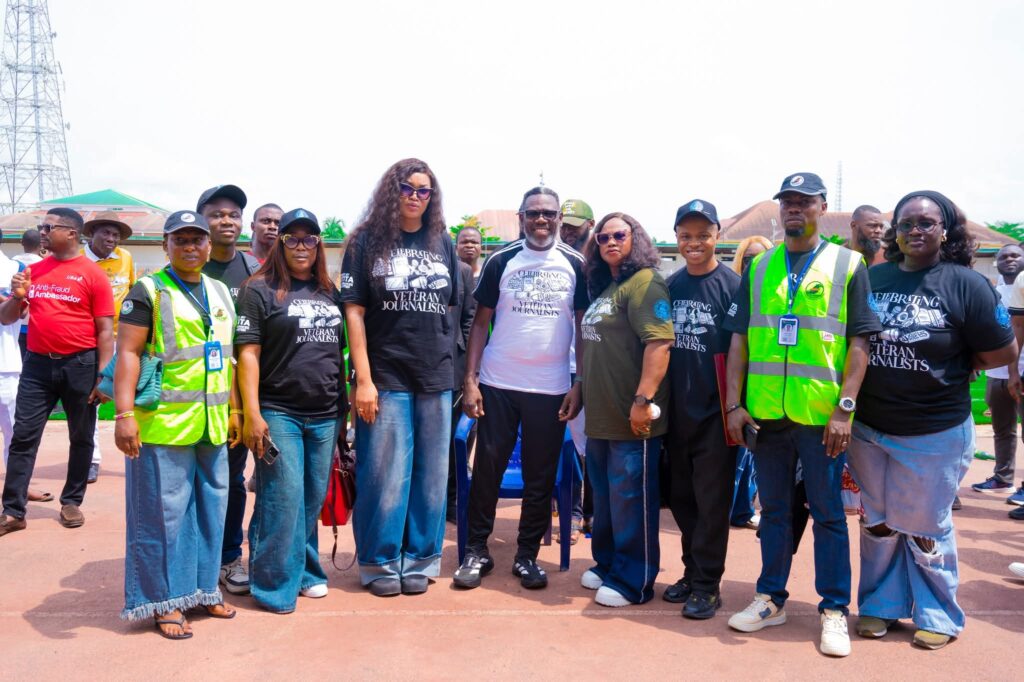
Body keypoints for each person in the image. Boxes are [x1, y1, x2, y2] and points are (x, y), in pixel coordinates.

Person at [847, 191, 1017, 650]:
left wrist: (960, 364)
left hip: (935, 430)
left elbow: (1002, 350)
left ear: (945, 230)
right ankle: (880, 605)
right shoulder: (873, 277)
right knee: (878, 521)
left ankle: (937, 612)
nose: (915, 231)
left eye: (926, 223)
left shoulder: (967, 284)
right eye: (906, 224)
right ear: (895, 232)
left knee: (925, 526)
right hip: (870, 428)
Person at [723, 172, 881, 657]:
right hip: (767, 415)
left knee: (828, 514)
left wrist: (845, 409)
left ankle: (833, 609)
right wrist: (733, 404)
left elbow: (860, 341)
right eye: (787, 201)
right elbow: (740, 340)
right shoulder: (760, 266)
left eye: (804, 201)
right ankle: (771, 597)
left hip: (820, 417)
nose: (794, 208)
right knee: (773, 513)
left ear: (821, 207)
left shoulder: (848, 264)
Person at [115, 209, 239, 638]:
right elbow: (128, 352)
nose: (189, 247)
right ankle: (162, 601)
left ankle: (203, 590)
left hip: (211, 424)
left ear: (209, 246)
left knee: (210, 512)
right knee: (162, 518)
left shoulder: (220, 291)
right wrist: (124, 415)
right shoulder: (147, 290)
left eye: (196, 240)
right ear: (165, 245)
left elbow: (227, 357)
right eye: (180, 240)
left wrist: (235, 410)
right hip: (162, 424)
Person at [454, 186, 586, 590]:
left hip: (551, 387)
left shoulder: (576, 263)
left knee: (540, 476)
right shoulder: (501, 260)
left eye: (548, 213)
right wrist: (471, 379)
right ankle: (477, 550)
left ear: (559, 218)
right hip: (499, 383)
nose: (541, 220)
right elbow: (480, 323)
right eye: (533, 213)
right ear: (521, 217)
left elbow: (583, 327)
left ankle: (526, 555)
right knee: (488, 470)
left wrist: (579, 381)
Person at [340, 158, 458, 596]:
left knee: (431, 476)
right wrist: (363, 380)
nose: (415, 196)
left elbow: (451, 308)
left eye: (424, 190)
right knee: (385, 473)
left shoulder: (442, 241)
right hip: (385, 374)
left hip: (435, 374)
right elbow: (354, 312)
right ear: (393, 191)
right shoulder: (365, 240)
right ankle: (380, 561)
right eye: (407, 188)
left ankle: (422, 559)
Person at [236, 208, 344, 613]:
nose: (301, 246)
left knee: (311, 499)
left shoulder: (329, 291)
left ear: (319, 245)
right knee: (282, 498)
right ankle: (273, 584)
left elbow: (338, 352)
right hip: (279, 410)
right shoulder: (258, 290)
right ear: (279, 243)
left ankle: (307, 571)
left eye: (309, 239)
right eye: (292, 238)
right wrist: (252, 413)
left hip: (326, 412)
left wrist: (344, 409)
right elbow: (248, 354)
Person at [578, 212, 673, 607]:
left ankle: (635, 580)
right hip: (601, 416)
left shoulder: (646, 283)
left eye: (619, 235)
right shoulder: (608, 286)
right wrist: (579, 388)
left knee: (631, 501)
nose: (611, 242)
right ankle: (608, 564)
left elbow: (660, 344)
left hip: (633, 419)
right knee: (606, 500)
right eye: (603, 237)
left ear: (636, 238)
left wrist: (643, 400)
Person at [0, 208, 114, 536]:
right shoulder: (32, 271)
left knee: (81, 436)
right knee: (23, 436)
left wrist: (104, 376)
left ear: (72, 233)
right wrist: (18, 297)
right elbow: (7, 317)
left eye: (48, 227)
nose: (42, 232)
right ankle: (13, 510)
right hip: (37, 365)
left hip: (80, 365)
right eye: (41, 226)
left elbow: (105, 331)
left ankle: (71, 501)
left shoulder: (92, 275)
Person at [663, 199, 740, 619]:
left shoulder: (734, 286)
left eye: (703, 235)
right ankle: (692, 572)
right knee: (681, 498)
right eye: (686, 236)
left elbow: (743, 352)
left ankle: (708, 585)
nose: (694, 243)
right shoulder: (670, 286)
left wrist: (735, 407)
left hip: (716, 415)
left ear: (717, 236)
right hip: (675, 413)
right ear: (677, 238)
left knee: (711, 503)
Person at [197, 184, 261, 596]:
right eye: (217, 214)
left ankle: (228, 557)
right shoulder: (188, 266)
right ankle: (196, 560)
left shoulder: (255, 269)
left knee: (233, 479)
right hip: (193, 398)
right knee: (196, 480)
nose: (227, 221)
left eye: (234, 214)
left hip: (242, 398)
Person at [81, 212, 137, 484]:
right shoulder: (79, 260)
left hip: (125, 337)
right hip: (90, 340)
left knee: (136, 394)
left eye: (116, 235)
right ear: (91, 234)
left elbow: (133, 291)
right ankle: (91, 459)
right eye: (106, 233)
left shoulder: (126, 258)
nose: (111, 239)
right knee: (92, 397)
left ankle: (138, 450)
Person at [728, 235, 773, 530]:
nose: (753, 264)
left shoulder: (775, 293)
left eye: (760, 257)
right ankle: (734, 508)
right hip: (735, 386)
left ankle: (744, 508)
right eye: (747, 259)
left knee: (753, 455)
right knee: (738, 453)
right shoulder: (734, 289)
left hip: (765, 388)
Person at [973, 244, 1024, 498]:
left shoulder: (1022, 287)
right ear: (996, 261)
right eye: (1003, 256)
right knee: (1002, 430)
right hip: (996, 374)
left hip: (1021, 371)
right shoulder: (991, 292)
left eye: (1015, 255)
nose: (1009, 259)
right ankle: (1003, 478)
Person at [560, 198, 596, 545]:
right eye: (564, 225)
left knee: (590, 446)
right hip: (558, 368)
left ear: (591, 224)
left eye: (574, 225)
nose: (568, 231)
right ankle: (570, 511)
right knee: (566, 446)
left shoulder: (598, 266)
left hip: (588, 368)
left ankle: (591, 513)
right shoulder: (559, 260)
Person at [446, 258, 475, 523]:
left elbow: (469, 321)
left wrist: (469, 373)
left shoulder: (463, 271)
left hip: (455, 368)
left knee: (458, 439)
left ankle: (453, 499)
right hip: (420, 368)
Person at [13, 228, 44, 360]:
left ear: (22, 242)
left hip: (14, 322)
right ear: (41, 244)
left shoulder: (12, 263)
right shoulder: (45, 265)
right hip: (36, 324)